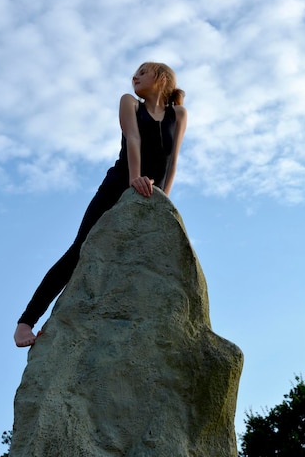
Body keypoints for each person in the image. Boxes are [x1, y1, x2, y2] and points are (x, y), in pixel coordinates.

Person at [14, 62, 188, 347]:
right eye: (135, 73)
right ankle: (25, 323)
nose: (135, 77)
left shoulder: (178, 114)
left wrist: (162, 203)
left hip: (151, 193)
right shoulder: (129, 102)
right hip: (120, 181)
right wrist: (135, 180)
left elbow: (173, 161)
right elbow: (132, 139)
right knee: (81, 248)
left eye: (142, 73)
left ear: (161, 78)